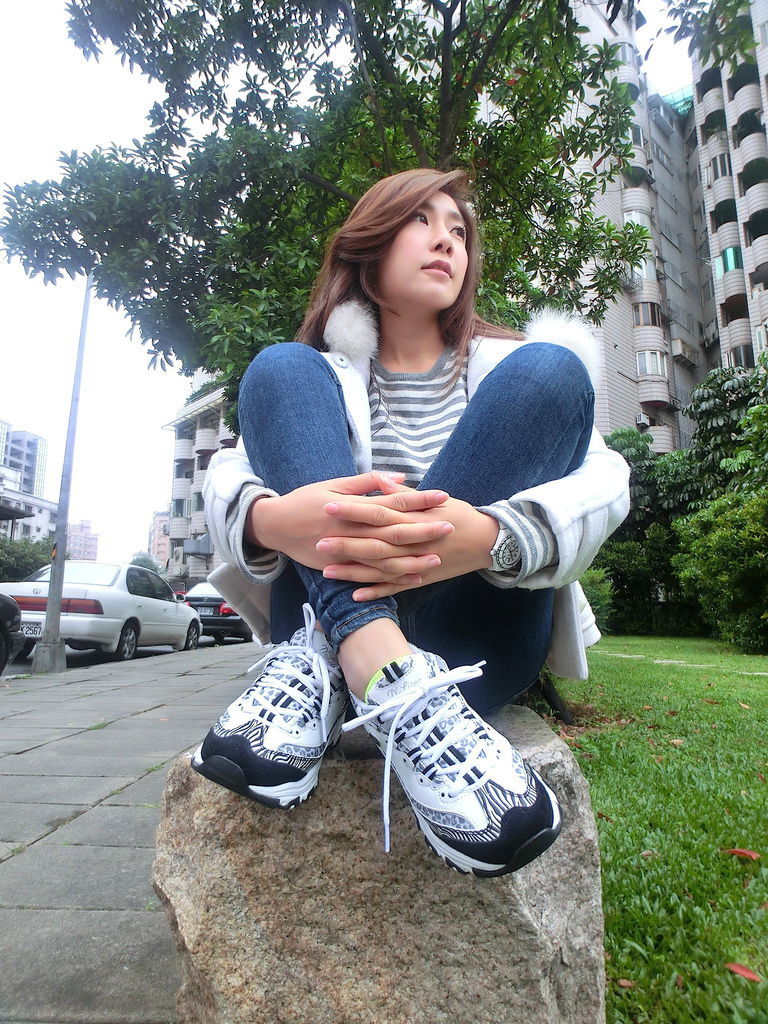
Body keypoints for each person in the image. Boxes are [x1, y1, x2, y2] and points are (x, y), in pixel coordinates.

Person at [192, 167, 629, 877]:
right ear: (368, 244)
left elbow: (606, 485)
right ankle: (379, 664)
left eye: (459, 230)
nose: (447, 241)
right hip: (319, 640)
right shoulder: (321, 376)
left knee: (553, 370)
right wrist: (269, 521)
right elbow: (228, 477)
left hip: (474, 633)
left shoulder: (510, 368)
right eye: (421, 221)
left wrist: (491, 538)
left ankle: (366, 658)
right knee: (277, 367)